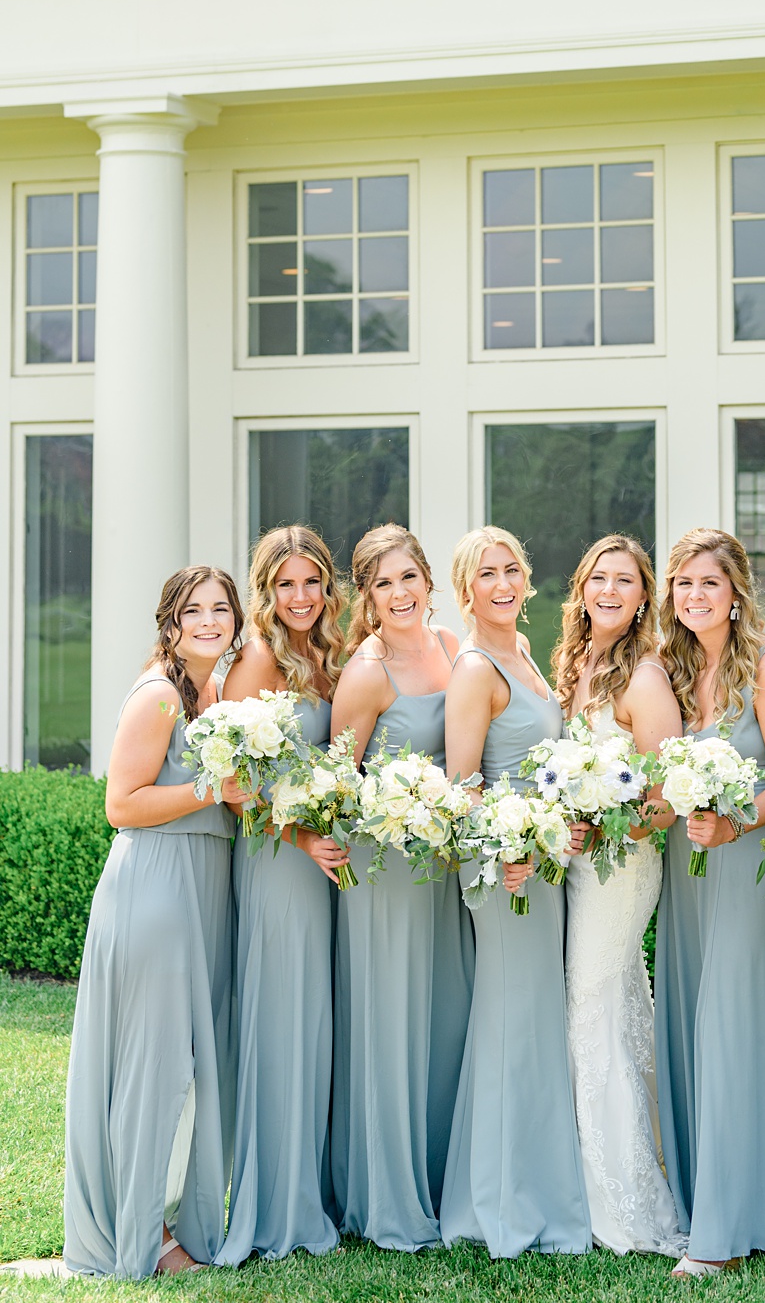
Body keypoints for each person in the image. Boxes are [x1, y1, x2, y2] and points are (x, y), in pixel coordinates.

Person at [61, 567, 244, 1277]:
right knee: (154, 1070)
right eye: (193, 611)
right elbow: (122, 803)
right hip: (157, 888)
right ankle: (144, 1240)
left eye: (220, 609)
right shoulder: (162, 695)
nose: (208, 621)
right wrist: (211, 788)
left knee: (184, 1069)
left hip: (197, 888)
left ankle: (167, 1218)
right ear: (170, 623)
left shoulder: (212, 697)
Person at [653, 529, 765, 1277]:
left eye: (708, 584)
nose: (694, 597)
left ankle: (727, 1226)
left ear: (737, 591)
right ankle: (693, 1198)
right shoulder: (673, 669)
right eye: (682, 584)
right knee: (689, 1022)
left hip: (745, 862)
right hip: (687, 867)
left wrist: (734, 821)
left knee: (731, 1027)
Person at [438, 526, 589, 1257]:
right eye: (486, 574)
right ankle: (495, 1205)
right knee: (509, 1023)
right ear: (465, 589)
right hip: (505, 870)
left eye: (513, 570)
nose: (502, 584)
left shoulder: (522, 653)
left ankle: (529, 1183)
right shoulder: (474, 668)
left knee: (533, 1023)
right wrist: (506, 846)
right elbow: (460, 785)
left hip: (542, 859)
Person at [536, 532, 687, 1262]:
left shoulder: (646, 676)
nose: (610, 590)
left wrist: (603, 824)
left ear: (642, 598)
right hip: (577, 864)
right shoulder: (574, 664)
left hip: (621, 865)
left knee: (590, 1007)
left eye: (625, 582)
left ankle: (621, 1203)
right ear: (582, 587)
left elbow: (667, 799)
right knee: (613, 1007)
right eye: (600, 577)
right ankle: (626, 1167)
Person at [328, 525, 472, 1250]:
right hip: (384, 869)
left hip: (444, 867)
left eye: (409, 577)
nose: (401, 593)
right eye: (384, 583)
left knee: (444, 1017)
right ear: (367, 595)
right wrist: (397, 806)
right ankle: (389, 1196)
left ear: (427, 582)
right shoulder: (367, 669)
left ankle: (447, 1183)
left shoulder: (452, 648)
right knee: (392, 1020)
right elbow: (337, 778)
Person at [217, 528, 349, 1265]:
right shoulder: (258, 660)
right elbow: (238, 790)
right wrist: (299, 840)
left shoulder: (326, 654)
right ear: (265, 591)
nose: (300, 598)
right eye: (285, 586)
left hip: (324, 863)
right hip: (278, 860)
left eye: (311, 583)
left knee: (314, 1025)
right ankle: (278, 1206)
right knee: (283, 1023)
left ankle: (313, 1189)